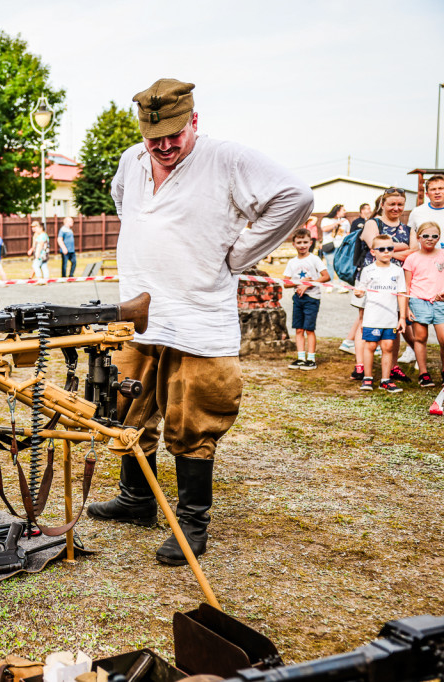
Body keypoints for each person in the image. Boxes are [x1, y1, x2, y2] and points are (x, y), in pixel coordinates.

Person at [88, 78, 313, 566]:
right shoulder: (131, 160)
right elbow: (122, 199)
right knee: (125, 406)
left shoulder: (226, 159)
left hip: (198, 318)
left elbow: (295, 197)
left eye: (174, 134)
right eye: (154, 138)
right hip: (138, 313)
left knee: (195, 418)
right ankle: (136, 500)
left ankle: (192, 522)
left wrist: (241, 254)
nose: (164, 147)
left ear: (194, 120)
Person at [360, 188, 418, 377]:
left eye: (400, 204)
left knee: (395, 323)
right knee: (366, 321)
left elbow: (415, 253)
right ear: (382, 204)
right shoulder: (372, 223)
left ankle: (393, 366)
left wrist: (388, 248)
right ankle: (362, 366)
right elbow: (373, 246)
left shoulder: (409, 229)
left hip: (397, 282)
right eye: (391, 203)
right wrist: (403, 248)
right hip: (374, 281)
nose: (396, 207)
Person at [354, 234, 407, 393]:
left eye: (390, 248)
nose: (386, 252)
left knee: (388, 346)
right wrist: (359, 293)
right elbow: (360, 292)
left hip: (390, 318)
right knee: (370, 346)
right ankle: (367, 378)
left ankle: (385, 380)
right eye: (382, 249)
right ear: (373, 252)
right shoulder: (368, 270)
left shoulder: (398, 271)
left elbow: (402, 295)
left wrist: (402, 317)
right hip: (372, 318)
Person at [402, 222, 444, 387]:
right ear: (419, 237)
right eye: (426, 236)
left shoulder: (442, 255)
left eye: (434, 236)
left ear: (439, 238)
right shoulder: (412, 258)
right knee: (420, 338)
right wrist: (406, 307)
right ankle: (423, 373)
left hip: (440, 302)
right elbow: (406, 286)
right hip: (419, 301)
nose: (430, 239)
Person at [283, 228, 330, 370]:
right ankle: (301, 358)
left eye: (305, 242)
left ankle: (311, 359)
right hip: (298, 298)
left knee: (309, 329)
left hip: (312, 298)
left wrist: (309, 284)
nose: (302, 245)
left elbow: (326, 276)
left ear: (310, 242)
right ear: (294, 244)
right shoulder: (292, 262)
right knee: (299, 329)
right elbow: (286, 283)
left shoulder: (314, 259)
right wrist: (301, 283)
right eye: (299, 242)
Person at [340, 202, 377, 354]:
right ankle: (355, 347)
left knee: (367, 313)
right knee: (364, 314)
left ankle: (349, 341)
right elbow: (374, 246)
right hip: (365, 270)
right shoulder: (367, 224)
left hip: (372, 271)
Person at [408, 174, 444, 249]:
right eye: (433, 189)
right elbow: (410, 237)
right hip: (424, 258)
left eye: (441, 188)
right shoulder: (417, 212)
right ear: (427, 194)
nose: (437, 192)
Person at [319, 204, 348, 291]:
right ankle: (330, 284)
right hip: (330, 245)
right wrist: (336, 223)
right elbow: (324, 229)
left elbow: (347, 233)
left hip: (341, 246)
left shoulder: (345, 221)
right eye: (343, 210)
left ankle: (342, 284)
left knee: (341, 265)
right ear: (337, 211)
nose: (345, 211)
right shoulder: (326, 220)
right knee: (330, 264)